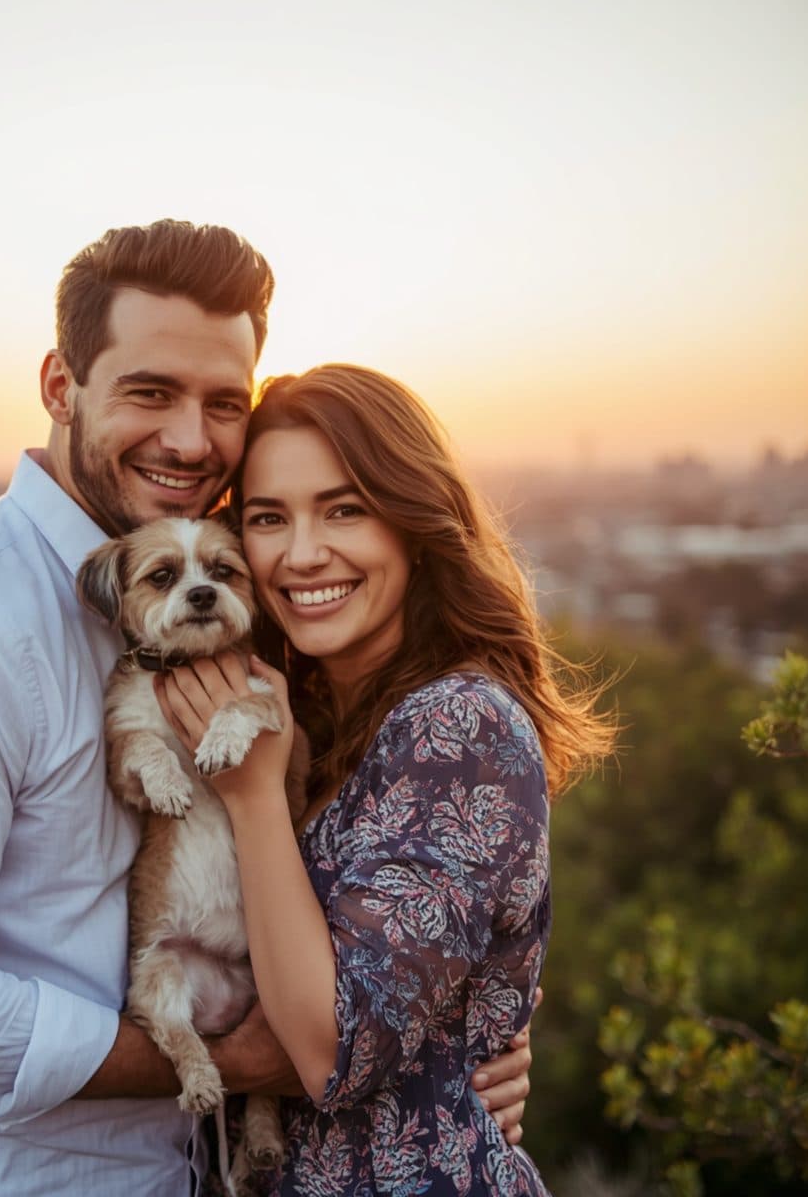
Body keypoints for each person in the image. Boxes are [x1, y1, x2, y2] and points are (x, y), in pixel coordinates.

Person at [0, 223, 533, 1196]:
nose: (192, 441)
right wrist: (230, 1061)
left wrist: (467, 1027)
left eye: (223, 403)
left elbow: (388, 891)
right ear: (60, 386)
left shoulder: (242, 611)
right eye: (151, 392)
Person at [156, 364, 616, 1195]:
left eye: (345, 509)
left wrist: (254, 798)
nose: (302, 554)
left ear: (415, 522)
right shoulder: (312, 715)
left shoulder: (462, 727)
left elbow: (333, 1054)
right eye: (268, 518)